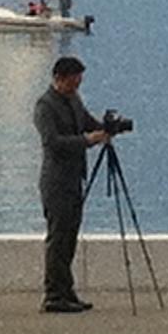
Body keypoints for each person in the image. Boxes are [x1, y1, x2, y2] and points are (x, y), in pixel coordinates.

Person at [33, 56, 108, 313]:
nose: (76, 87)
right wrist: (88, 140)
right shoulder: (45, 106)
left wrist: (107, 129)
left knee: (70, 238)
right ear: (59, 79)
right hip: (56, 181)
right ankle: (53, 294)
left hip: (75, 179)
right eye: (73, 82)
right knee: (58, 237)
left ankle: (67, 290)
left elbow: (87, 122)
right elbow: (53, 142)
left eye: (79, 82)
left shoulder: (74, 100)